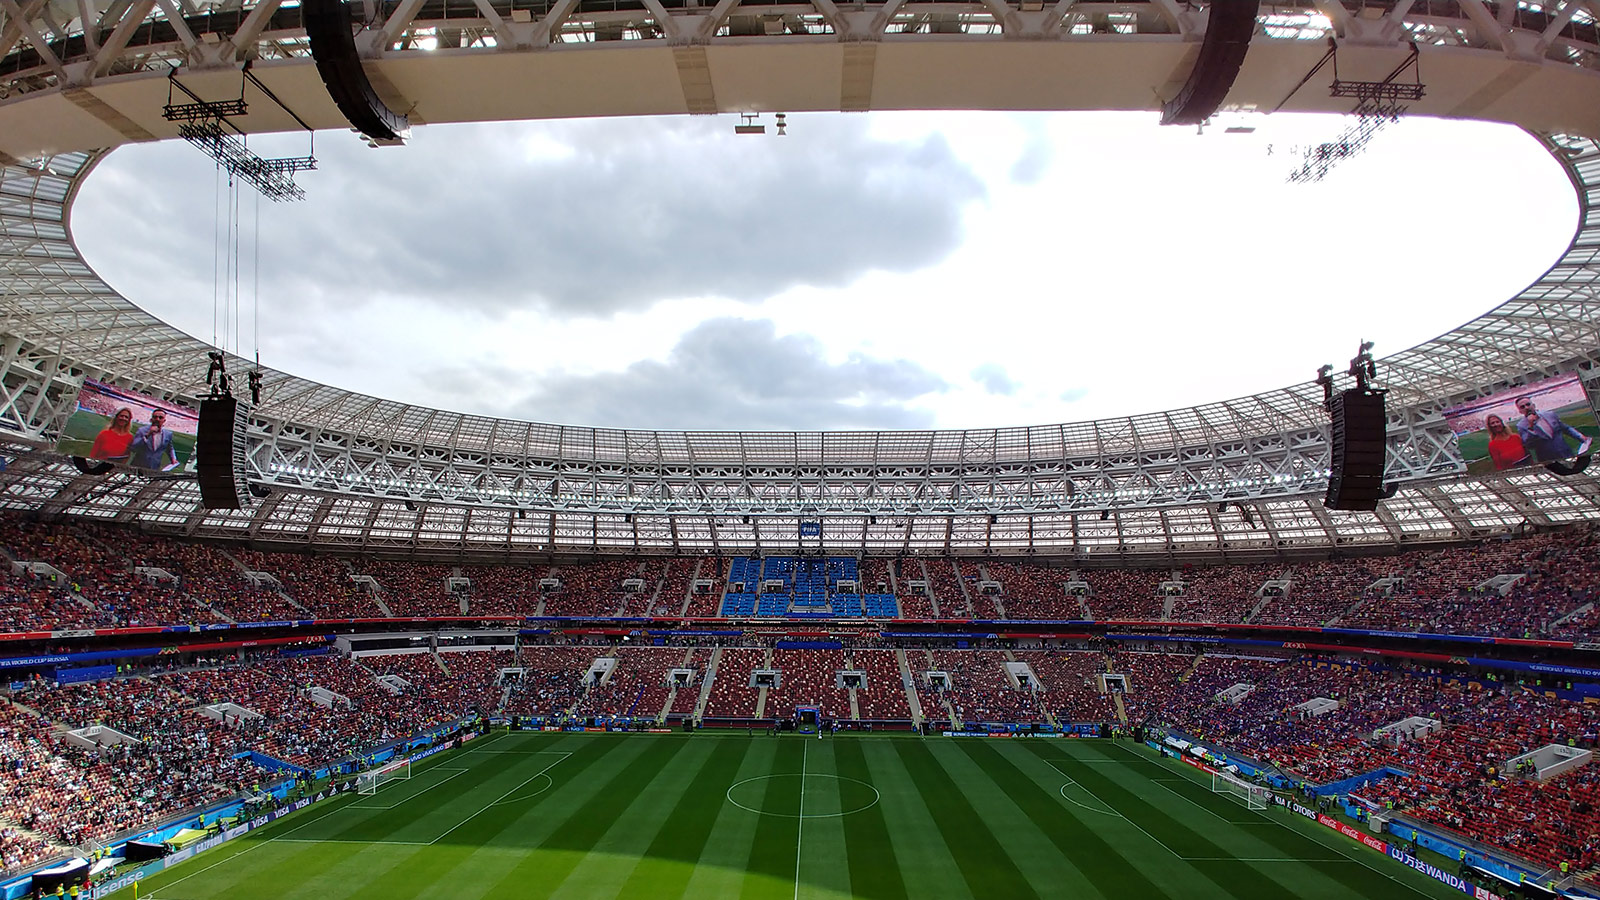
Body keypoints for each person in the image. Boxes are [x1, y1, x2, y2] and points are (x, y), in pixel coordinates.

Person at [1514, 396, 1592, 463]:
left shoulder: (1550, 415)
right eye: (1522, 407)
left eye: (1528, 404)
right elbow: (1529, 445)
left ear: (1533, 405)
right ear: (1520, 411)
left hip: (1565, 452)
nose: (1526, 407)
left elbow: (1565, 428)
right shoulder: (1521, 426)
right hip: (1548, 460)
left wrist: (1580, 437)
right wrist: (1530, 426)